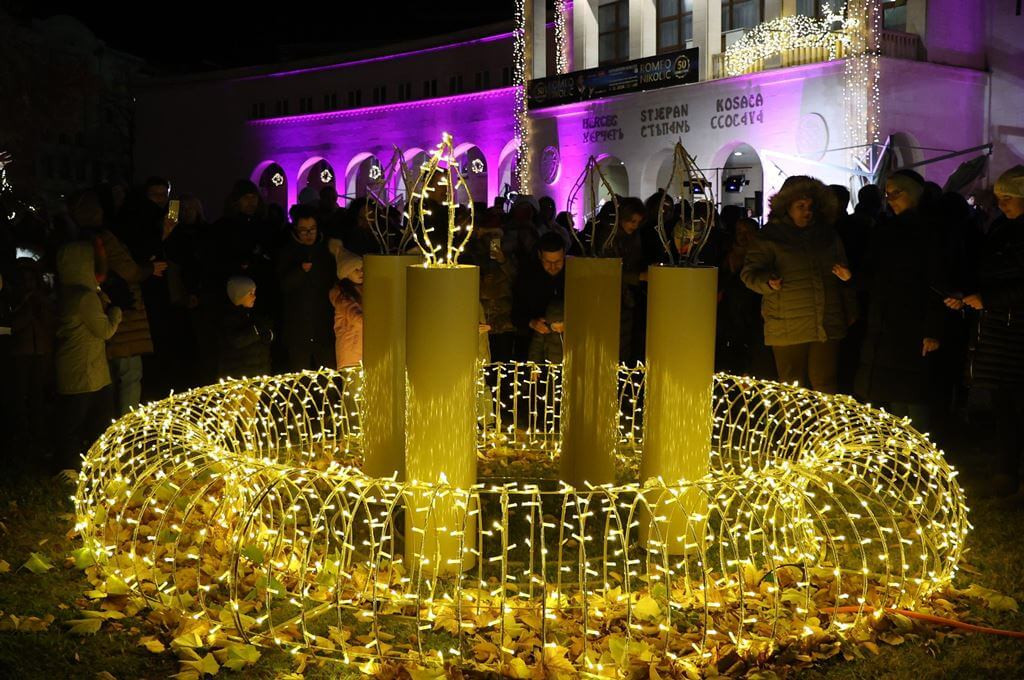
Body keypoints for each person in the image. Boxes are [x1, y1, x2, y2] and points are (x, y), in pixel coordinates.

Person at [945, 165, 1024, 499]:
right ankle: (1004, 471)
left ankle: (1009, 473)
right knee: (1004, 405)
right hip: (999, 331)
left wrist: (988, 298)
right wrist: (971, 296)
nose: (1002, 203)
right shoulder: (1001, 230)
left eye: (1009, 198)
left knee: (1016, 404)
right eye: (999, 198)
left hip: (1017, 331)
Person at [741, 176, 855, 393]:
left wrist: (848, 301)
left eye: (811, 206)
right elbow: (749, 274)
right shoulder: (770, 238)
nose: (807, 211)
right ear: (787, 207)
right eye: (800, 206)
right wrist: (768, 282)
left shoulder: (827, 236)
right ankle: (796, 427)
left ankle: (825, 427)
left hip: (826, 324)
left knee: (825, 385)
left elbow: (843, 273)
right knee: (793, 388)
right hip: (787, 324)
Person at [855, 170, 945, 427]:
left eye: (897, 193)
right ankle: (900, 455)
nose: (891, 199)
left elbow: (936, 282)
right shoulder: (887, 229)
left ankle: (919, 457)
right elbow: (877, 273)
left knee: (913, 394)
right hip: (887, 321)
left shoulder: (929, 231)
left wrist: (932, 328)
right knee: (893, 392)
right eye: (888, 194)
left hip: (912, 320)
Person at [55, 240, 122, 471]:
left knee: (72, 421)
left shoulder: (66, 293)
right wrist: (115, 312)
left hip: (77, 368)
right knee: (87, 421)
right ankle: (76, 468)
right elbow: (104, 331)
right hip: (87, 371)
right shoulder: (85, 297)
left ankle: (73, 467)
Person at [276, 205, 336, 371]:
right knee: (301, 380)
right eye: (303, 230)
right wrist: (300, 271)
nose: (309, 234)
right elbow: (283, 285)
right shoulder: (287, 251)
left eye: (312, 229)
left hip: (323, 327)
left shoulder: (327, 250)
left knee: (327, 377)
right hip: (298, 329)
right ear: (295, 229)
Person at [716, 217, 774, 377]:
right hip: (731, 315)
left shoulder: (761, 255)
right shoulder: (726, 256)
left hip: (754, 313)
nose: (743, 236)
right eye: (740, 232)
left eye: (748, 232)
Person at [598, 196, 648, 362]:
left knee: (625, 340)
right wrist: (636, 276)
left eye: (638, 222)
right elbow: (609, 269)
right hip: (611, 295)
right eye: (632, 221)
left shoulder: (633, 236)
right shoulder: (610, 237)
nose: (634, 225)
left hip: (627, 295)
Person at [513, 232, 566, 361]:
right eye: (547, 262)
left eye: (558, 261)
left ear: (564, 255)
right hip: (533, 347)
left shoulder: (573, 275)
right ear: (539, 256)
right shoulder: (527, 277)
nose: (553, 267)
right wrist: (532, 323)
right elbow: (515, 313)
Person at [218, 276, 273, 378]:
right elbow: (237, 340)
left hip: (259, 373)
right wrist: (256, 331)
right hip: (241, 376)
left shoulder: (254, 314)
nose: (254, 297)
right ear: (240, 295)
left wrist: (267, 334)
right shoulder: (230, 317)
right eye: (250, 294)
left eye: (254, 293)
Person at [328, 247, 364, 368]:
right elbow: (357, 318)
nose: (361, 272)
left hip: (363, 354)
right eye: (356, 270)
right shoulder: (342, 296)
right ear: (346, 273)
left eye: (362, 269)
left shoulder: (364, 290)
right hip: (351, 356)